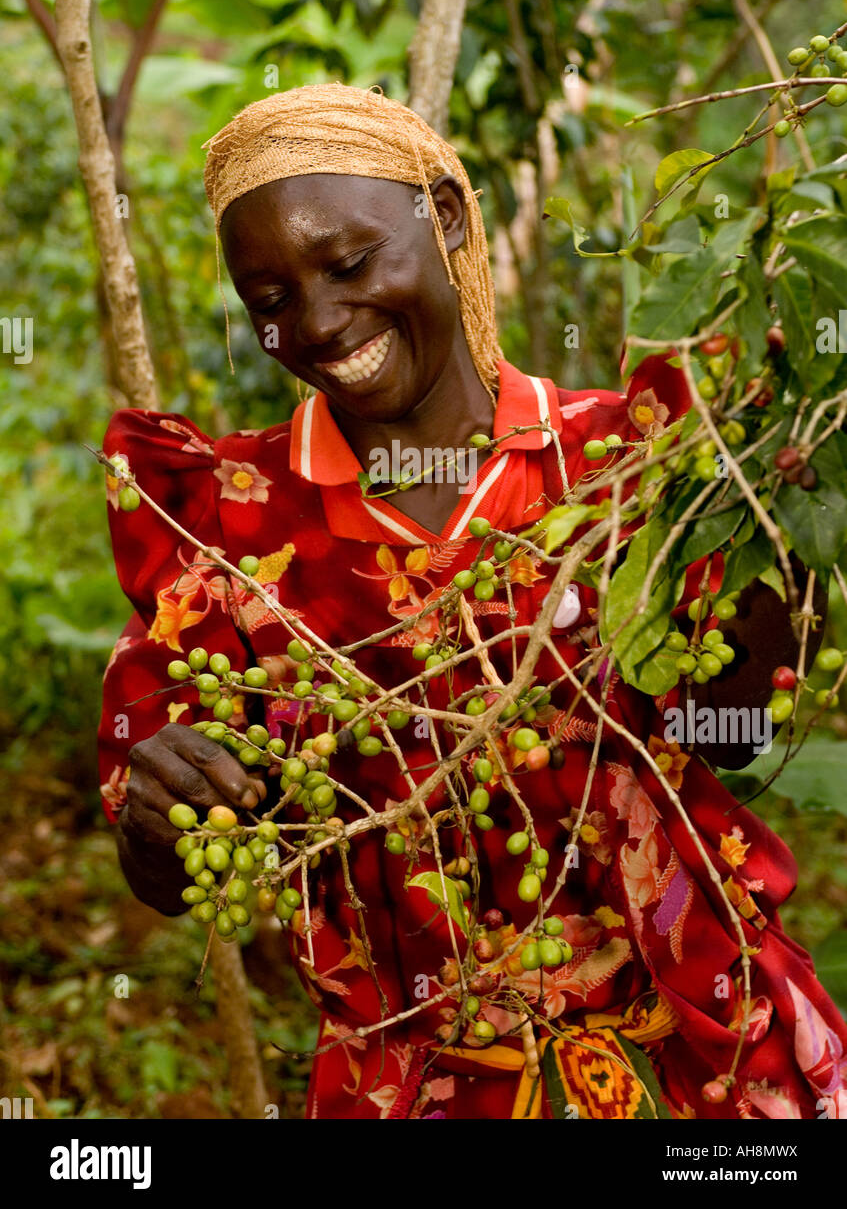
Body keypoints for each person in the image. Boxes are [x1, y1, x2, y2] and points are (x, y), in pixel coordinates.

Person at [98, 83, 847, 1120]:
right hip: (416, 1088)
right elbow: (169, 865)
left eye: (350, 264)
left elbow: (730, 742)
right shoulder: (229, 525)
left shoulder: (630, 460)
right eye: (269, 302)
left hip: (699, 1064)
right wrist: (159, 814)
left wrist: (775, 534)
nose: (316, 322)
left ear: (444, 216)